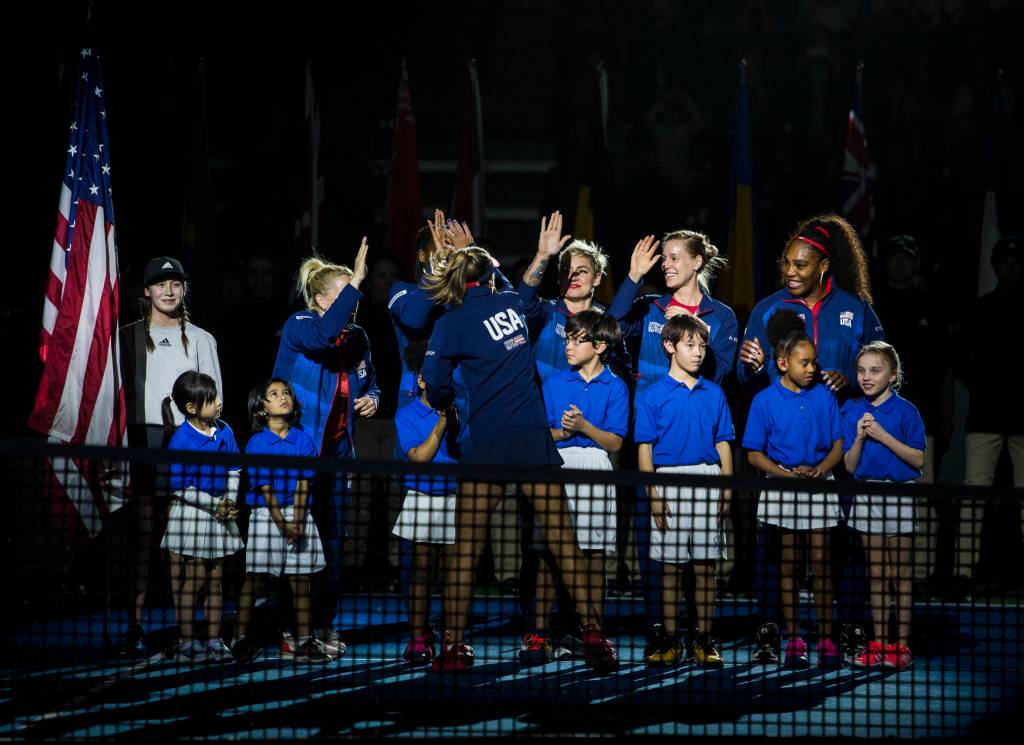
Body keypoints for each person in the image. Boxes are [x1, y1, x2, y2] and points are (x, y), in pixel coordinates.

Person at [422, 246, 619, 672]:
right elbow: (520, 286)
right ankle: (594, 635)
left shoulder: (450, 323)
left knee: (466, 548)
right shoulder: (512, 304)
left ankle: (455, 646)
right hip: (531, 440)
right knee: (564, 541)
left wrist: (449, 401)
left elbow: (435, 386)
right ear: (492, 276)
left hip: (485, 445)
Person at [607, 230, 738, 652]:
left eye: (674, 257)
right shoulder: (647, 308)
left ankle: (702, 635)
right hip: (653, 451)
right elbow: (610, 328)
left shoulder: (723, 316)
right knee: (655, 553)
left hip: (699, 452)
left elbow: (718, 379)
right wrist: (631, 277)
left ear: (697, 262)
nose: (665, 264)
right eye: (662, 258)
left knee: (703, 560)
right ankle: (659, 633)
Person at [272, 240, 378, 658]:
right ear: (320, 299)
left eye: (355, 294)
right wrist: (357, 280)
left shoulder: (358, 337)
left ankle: (324, 626)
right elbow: (324, 335)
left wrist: (373, 398)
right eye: (344, 293)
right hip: (297, 452)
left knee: (332, 543)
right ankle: (289, 626)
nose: (353, 301)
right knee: (293, 539)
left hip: (338, 454)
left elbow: (370, 382)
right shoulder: (301, 324)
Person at [118, 256, 223, 655]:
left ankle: (192, 632)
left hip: (187, 445)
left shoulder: (201, 339)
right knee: (144, 538)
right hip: (140, 444)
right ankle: (136, 624)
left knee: (188, 542)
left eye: (175, 283)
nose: (168, 290)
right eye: (160, 284)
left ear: (184, 290)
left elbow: (216, 399)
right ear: (146, 291)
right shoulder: (124, 338)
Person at [516, 310, 629, 665]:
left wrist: (583, 426)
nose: (568, 345)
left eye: (576, 339)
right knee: (548, 556)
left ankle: (592, 631)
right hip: (557, 470)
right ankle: (538, 634)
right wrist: (564, 432)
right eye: (567, 338)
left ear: (599, 345)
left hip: (596, 471)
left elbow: (614, 443)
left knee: (594, 558)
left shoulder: (616, 386)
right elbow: (537, 434)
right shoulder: (553, 384)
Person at [743, 309, 844, 669]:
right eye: (805, 363)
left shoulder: (825, 397)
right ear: (783, 363)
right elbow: (754, 455)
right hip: (781, 490)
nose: (812, 369)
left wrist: (820, 470)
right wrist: (784, 475)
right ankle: (795, 639)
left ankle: (828, 639)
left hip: (819, 487)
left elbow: (838, 446)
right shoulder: (764, 401)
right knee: (788, 565)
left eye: (814, 363)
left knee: (820, 563)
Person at [635, 315, 735, 668]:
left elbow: (723, 443)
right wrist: (654, 495)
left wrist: (727, 489)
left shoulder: (715, 392)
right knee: (672, 567)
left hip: (708, 481)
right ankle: (670, 640)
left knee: (706, 566)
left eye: (702, 346)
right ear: (669, 346)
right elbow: (644, 449)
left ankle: (704, 639)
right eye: (690, 345)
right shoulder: (653, 395)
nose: (697, 352)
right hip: (669, 482)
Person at [232, 379, 332, 664]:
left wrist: (298, 522)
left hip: (298, 515)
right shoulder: (257, 443)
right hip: (266, 517)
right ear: (262, 409)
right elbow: (266, 489)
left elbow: (303, 484)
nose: (283, 397)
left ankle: (303, 641)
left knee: (302, 582)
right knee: (254, 580)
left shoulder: (304, 440)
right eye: (274, 395)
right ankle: (240, 639)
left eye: (286, 392)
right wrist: (282, 524)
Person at [843, 342, 925, 670]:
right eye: (861, 370)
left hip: (900, 494)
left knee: (900, 575)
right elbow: (849, 466)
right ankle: (877, 643)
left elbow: (918, 461)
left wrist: (881, 435)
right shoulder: (850, 409)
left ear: (893, 376)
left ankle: (901, 645)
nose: (866, 377)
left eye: (875, 370)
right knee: (876, 574)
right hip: (867, 496)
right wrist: (861, 438)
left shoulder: (907, 412)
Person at [871, 235, 946, 592]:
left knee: (923, 492)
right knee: (876, 491)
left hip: (920, 418)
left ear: (917, 264)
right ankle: (879, 575)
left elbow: (941, 366)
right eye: (894, 257)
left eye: (907, 258)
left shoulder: (930, 305)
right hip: (876, 418)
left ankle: (925, 574)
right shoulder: (874, 307)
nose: (900, 264)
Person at [736, 214, 884, 396]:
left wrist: (850, 380)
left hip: (841, 420)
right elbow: (745, 378)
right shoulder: (767, 308)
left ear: (823, 266)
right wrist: (754, 369)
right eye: (786, 263)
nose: (789, 271)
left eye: (800, 265)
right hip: (784, 421)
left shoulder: (857, 308)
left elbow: (882, 366)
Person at [953, 235, 1024, 595]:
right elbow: (960, 358)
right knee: (974, 493)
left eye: (1016, 262)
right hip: (984, 415)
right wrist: (984, 385)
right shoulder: (980, 310)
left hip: (1023, 418)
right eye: (1004, 262)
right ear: (995, 266)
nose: (1010, 267)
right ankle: (963, 571)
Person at [160, 371, 242, 663]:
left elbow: (234, 469)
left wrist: (230, 499)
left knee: (215, 579)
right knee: (193, 580)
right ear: (192, 407)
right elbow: (182, 489)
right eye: (212, 399)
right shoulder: (181, 440)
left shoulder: (225, 431)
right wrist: (214, 505)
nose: (219, 402)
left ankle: (214, 641)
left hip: (218, 512)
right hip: (193, 516)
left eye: (217, 396)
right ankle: (186, 642)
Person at [391, 340, 460, 666]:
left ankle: (452, 636)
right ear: (421, 379)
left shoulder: (462, 411)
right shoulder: (407, 416)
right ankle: (419, 637)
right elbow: (419, 456)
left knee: (452, 574)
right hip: (420, 499)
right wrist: (443, 422)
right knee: (419, 574)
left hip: (455, 499)